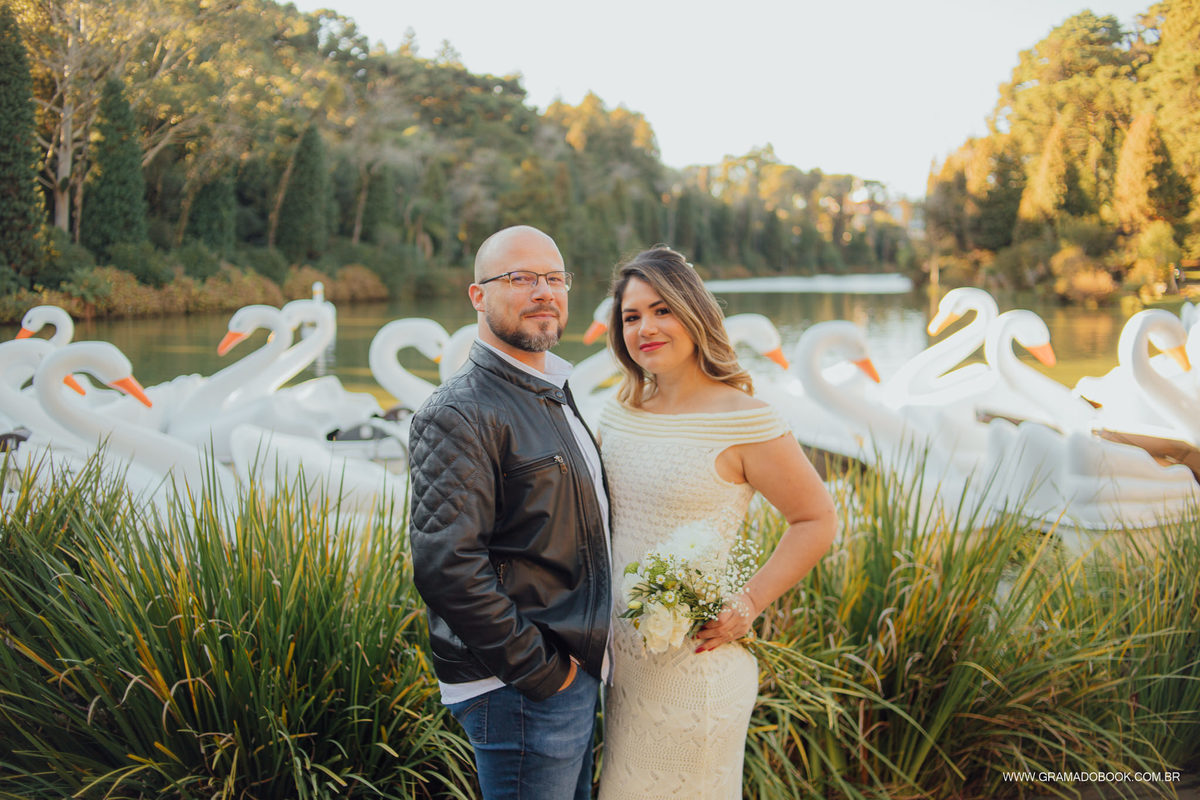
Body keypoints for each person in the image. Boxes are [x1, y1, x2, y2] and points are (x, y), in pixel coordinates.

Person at [595, 246, 837, 799]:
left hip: (696, 672)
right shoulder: (618, 412)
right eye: (631, 316)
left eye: (662, 311)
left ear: (694, 314)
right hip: (625, 673)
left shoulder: (746, 420)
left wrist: (747, 604)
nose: (645, 328)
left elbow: (816, 518)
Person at [407, 225, 612, 800]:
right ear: (478, 296)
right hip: (520, 687)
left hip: (564, 673)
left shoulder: (550, 389)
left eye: (554, 277)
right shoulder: (460, 411)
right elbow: (446, 565)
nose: (543, 291)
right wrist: (545, 672)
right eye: (520, 278)